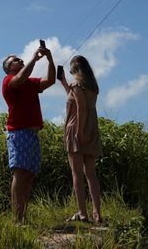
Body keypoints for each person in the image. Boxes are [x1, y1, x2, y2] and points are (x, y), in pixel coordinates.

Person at [1, 44, 55, 224]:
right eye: (15, 60)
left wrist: (49, 59)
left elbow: (51, 80)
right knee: (19, 173)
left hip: (32, 135)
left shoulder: (31, 83)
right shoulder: (9, 81)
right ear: (9, 68)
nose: (20, 60)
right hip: (18, 133)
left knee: (29, 175)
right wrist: (35, 58)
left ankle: (22, 217)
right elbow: (22, 76)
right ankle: (17, 219)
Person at [58, 55, 103, 224]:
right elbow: (77, 100)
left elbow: (80, 108)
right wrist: (63, 82)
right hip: (92, 129)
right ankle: (97, 213)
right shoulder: (92, 87)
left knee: (76, 173)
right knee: (91, 174)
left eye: (71, 71)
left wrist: (79, 132)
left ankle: (82, 213)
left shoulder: (77, 85)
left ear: (76, 70)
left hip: (75, 128)